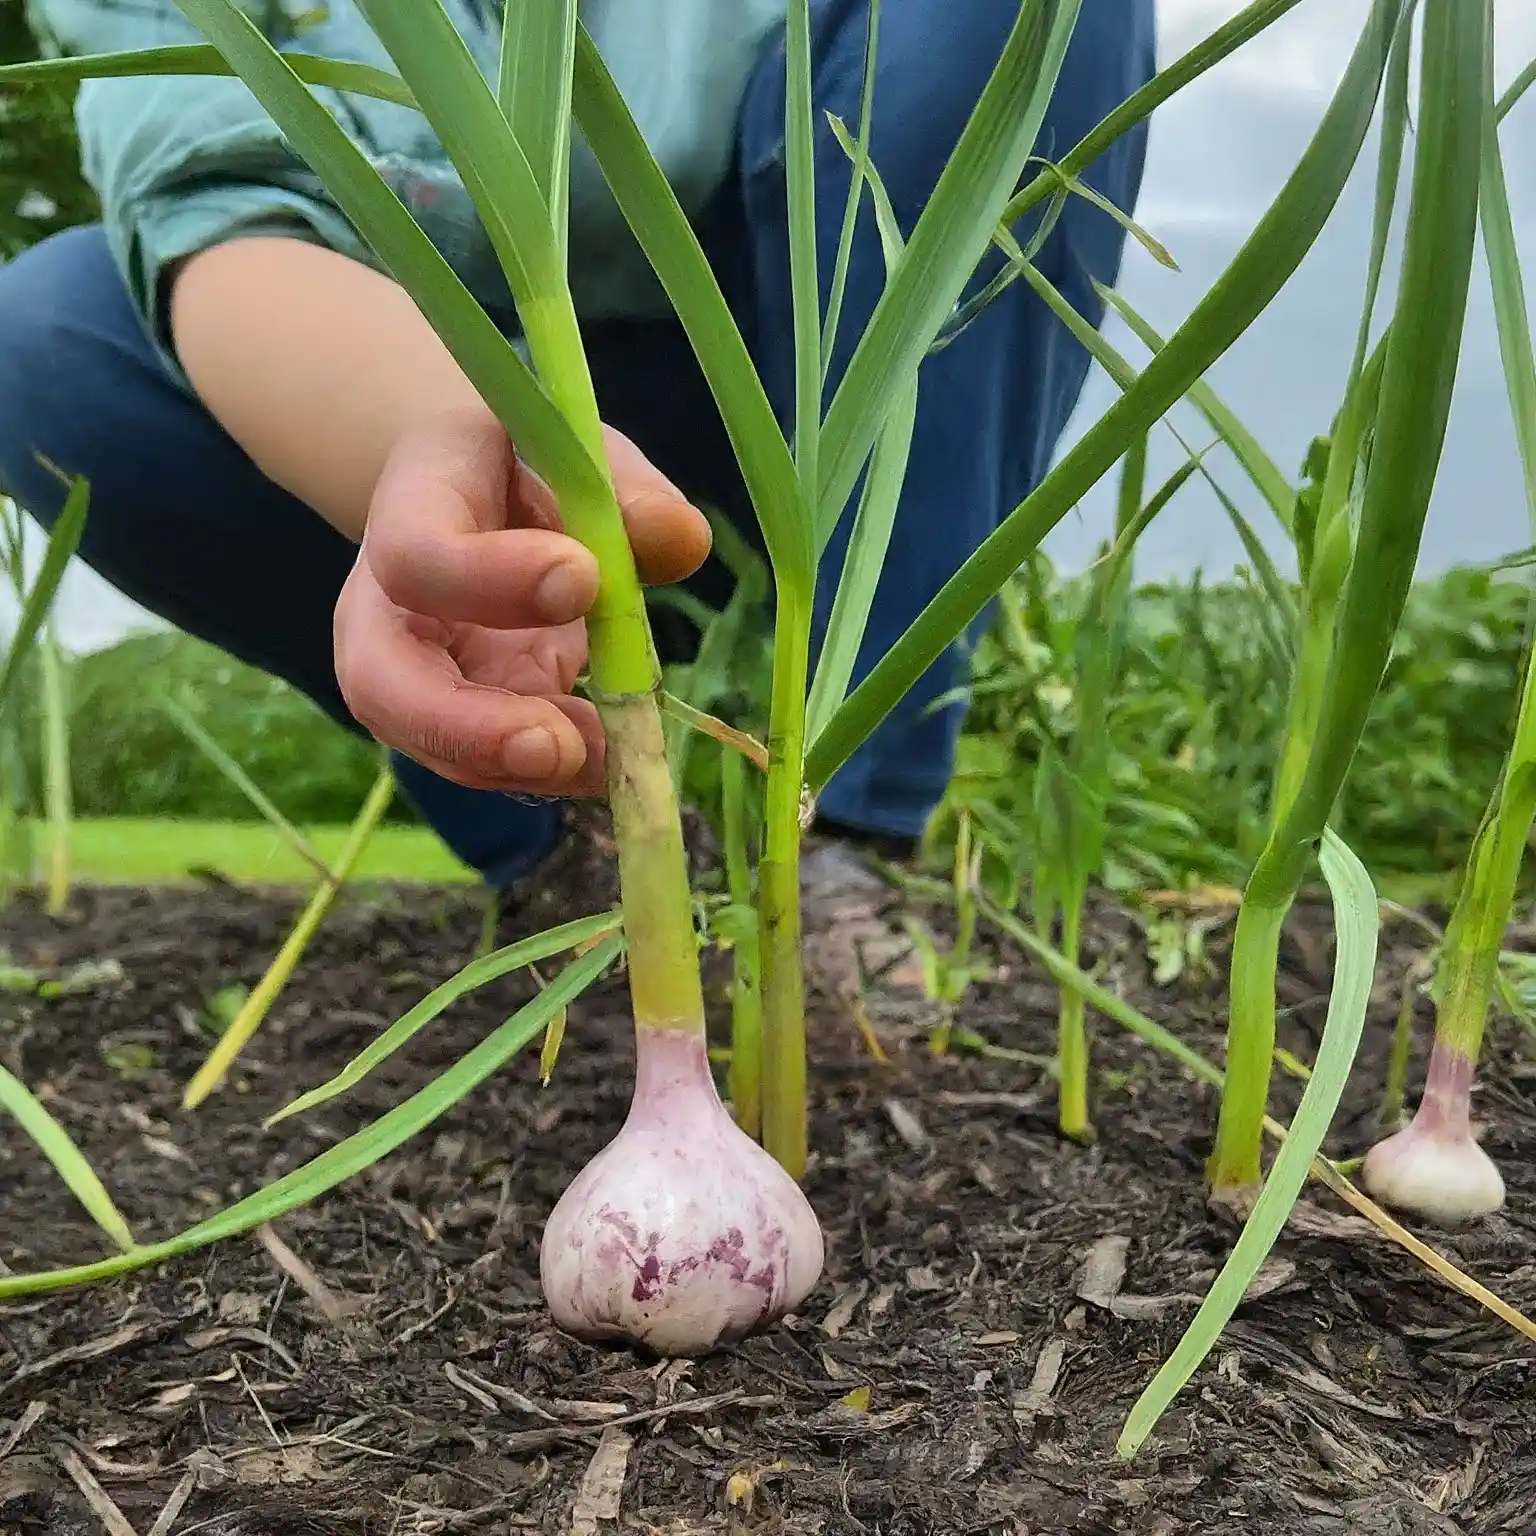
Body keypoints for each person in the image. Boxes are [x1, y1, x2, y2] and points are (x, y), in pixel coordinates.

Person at [1, 0, 1155, 892]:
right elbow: (218, 201)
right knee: (48, 331)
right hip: (422, 397)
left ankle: (847, 835)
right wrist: (444, 450)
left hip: (790, 362)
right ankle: (571, 854)